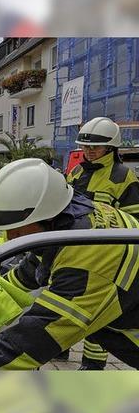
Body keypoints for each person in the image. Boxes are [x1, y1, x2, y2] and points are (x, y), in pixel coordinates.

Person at [0, 158, 139, 370]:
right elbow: (36, 264)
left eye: (18, 229)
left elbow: (37, 337)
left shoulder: (87, 262)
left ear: (47, 215)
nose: (11, 238)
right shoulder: (74, 217)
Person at [65, 117, 139, 370]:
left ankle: (93, 365)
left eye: (95, 146)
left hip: (107, 256)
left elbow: (134, 221)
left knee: (95, 314)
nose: (89, 151)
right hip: (74, 248)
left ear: (111, 147)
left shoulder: (123, 177)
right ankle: (62, 347)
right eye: (86, 147)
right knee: (67, 304)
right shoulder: (76, 171)